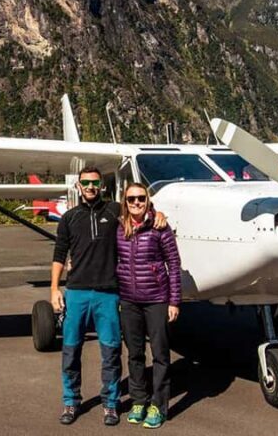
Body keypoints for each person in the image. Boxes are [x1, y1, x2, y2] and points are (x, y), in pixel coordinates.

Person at [51, 167, 167, 427]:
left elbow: (140, 209)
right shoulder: (69, 218)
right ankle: (71, 401)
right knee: (70, 351)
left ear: (101, 185)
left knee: (111, 352)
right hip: (77, 292)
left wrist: (157, 213)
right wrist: (54, 289)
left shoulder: (115, 211)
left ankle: (111, 404)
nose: (90, 187)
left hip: (108, 294)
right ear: (78, 186)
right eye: (85, 183)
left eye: (95, 182)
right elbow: (59, 255)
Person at [116, 183, 181, 429]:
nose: (136, 203)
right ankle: (139, 400)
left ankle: (158, 404)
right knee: (134, 354)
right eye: (131, 199)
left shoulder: (160, 227)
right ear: (125, 201)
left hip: (156, 299)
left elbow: (173, 265)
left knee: (161, 354)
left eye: (141, 198)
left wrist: (174, 300)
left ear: (148, 199)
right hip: (129, 300)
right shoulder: (120, 227)